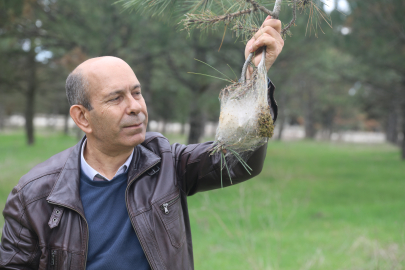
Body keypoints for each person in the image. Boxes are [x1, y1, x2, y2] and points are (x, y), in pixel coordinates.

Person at [0, 16, 284, 270]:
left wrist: (253, 79)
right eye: (116, 98)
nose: (135, 106)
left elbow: (239, 162)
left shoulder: (167, 163)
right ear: (82, 117)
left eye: (137, 93)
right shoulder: (34, 196)